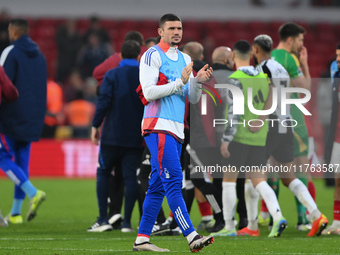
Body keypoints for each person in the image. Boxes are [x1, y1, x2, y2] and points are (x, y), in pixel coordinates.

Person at [133, 14, 214, 252]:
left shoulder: (185, 58)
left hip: (176, 129)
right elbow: (148, 93)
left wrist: (197, 81)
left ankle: (142, 239)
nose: (177, 32)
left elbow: (192, 97)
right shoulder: (151, 55)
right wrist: (180, 82)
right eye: (171, 28)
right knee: (174, 182)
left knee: (158, 186)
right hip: (158, 126)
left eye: (179, 28)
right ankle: (191, 236)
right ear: (161, 31)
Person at [211, 40, 287, 238]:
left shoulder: (235, 78)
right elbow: (273, 97)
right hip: (259, 137)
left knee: (228, 181)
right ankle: (276, 216)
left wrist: (226, 140)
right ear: (250, 55)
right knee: (258, 181)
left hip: (239, 136)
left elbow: (233, 113)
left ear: (233, 57)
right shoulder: (263, 76)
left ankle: (229, 226)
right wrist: (261, 120)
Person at [270, 22, 325, 231]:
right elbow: (306, 89)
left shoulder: (268, 56)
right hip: (293, 116)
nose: (302, 44)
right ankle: (304, 219)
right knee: (301, 166)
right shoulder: (290, 59)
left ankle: (271, 216)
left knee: (273, 168)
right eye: (300, 40)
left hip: (271, 117)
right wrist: (305, 63)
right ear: (290, 39)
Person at [88, 40, 144, 233]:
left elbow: (103, 102)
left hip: (112, 135)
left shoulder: (112, 75)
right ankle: (127, 223)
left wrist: (95, 125)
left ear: (120, 56)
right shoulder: (145, 76)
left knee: (103, 173)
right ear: (139, 56)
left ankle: (103, 219)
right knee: (130, 178)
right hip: (136, 137)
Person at [0, 18, 47, 224]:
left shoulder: (10, 52)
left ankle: (33, 192)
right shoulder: (41, 56)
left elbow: (4, 83)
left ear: (13, 31)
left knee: (3, 156)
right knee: (22, 160)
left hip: (11, 115)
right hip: (33, 115)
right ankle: (16, 213)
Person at [182, 41, 225, 233]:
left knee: (198, 180)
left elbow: (191, 108)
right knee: (216, 179)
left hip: (199, 138)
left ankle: (220, 217)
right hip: (215, 136)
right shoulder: (212, 76)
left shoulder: (193, 76)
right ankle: (224, 218)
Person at [211, 46, 248, 230]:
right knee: (239, 179)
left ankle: (221, 219)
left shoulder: (206, 78)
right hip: (236, 134)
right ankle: (244, 218)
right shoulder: (237, 78)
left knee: (217, 180)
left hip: (212, 136)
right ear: (228, 61)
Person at [322, 43, 340, 235]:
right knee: (338, 181)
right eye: (337, 56)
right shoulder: (335, 77)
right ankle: (337, 221)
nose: (338, 60)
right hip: (338, 139)